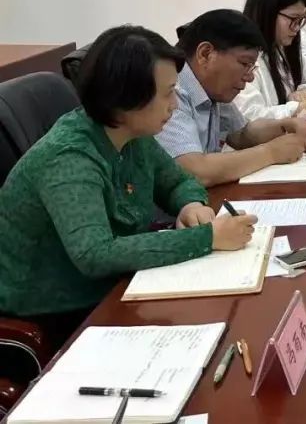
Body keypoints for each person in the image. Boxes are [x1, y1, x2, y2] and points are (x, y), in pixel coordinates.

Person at [0, 26, 258, 348]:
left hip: (117, 285)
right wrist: (207, 238)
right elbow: (96, 254)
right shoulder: (68, 157)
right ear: (127, 97)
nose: (174, 105)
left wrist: (191, 204)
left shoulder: (132, 134)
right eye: (167, 93)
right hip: (57, 312)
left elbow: (177, 181)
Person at [157, 9, 306, 187]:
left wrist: (287, 126)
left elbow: (241, 134)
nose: (250, 77)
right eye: (244, 64)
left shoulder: (211, 88)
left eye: (252, 67)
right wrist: (270, 153)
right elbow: (194, 172)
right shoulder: (171, 92)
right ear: (205, 54)